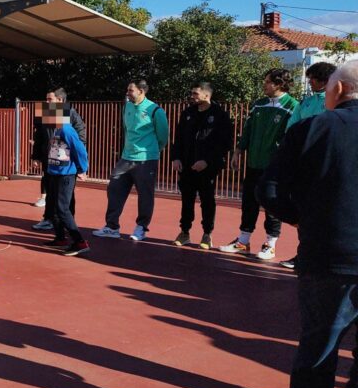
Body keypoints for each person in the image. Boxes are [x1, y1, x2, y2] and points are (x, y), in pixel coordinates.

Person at [256, 59, 358, 388]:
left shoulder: (311, 128)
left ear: (337, 90)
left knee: (319, 351)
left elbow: (269, 191)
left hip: (327, 260)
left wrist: (302, 219)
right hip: (330, 260)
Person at [218, 68, 298, 260]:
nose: (264, 85)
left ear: (279, 84)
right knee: (249, 202)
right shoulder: (258, 105)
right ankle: (243, 241)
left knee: (271, 204)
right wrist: (238, 151)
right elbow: (247, 130)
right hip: (254, 162)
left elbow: (293, 135)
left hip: (275, 166)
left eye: (268, 81)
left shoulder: (293, 106)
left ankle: (270, 245)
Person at [93, 80, 169, 242]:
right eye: (127, 90)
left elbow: (163, 136)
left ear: (142, 91)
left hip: (146, 160)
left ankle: (141, 227)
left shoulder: (155, 111)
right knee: (114, 188)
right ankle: (112, 227)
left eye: (131, 90)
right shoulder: (127, 106)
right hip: (126, 158)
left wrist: (151, 151)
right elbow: (127, 130)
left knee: (145, 195)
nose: (127, 93)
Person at [281, 62, 337, 270]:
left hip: (325, 164)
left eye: (313, 79)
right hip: (305, 164)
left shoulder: (332, 103)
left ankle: (325, 256)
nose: (310, 82)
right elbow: (291, 128)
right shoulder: (305, 103)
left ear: (325, 80)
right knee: (305, 211)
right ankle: (302, 254)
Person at [170, 82, 234, 250]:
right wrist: (176, 158)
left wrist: (207, 161)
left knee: (207, 200)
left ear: (207, 95)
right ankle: (184, 232)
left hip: (208, 167)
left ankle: (207, 234)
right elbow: (178, 138)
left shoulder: (220, 115)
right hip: (187, 165)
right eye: (192, 93)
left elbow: (225, 143)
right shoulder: (187, 113)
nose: (192, 96)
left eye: (195, 94)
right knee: (187, 199)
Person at [31, 88, 87, 230]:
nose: (46, 102)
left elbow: (80, 139)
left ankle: (68, 223)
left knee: (67, 195)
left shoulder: (71, 114)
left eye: (50, 100)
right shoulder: (44, 113)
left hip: (66, 164)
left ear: (60, 101)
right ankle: (48, 219)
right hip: (49, 160)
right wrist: (36, 155)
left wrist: (79, 164)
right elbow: (39, 136)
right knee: (50, 191)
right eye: (46, 99)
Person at [39, 102, 91, 256]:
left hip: (65, 175)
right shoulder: (55, 129)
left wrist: (82, 169)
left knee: (62, 209)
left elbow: (79, 149)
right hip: (54, 173)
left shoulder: (67, 130)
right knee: (53, 207)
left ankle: (80, 242)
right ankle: (60, 238)